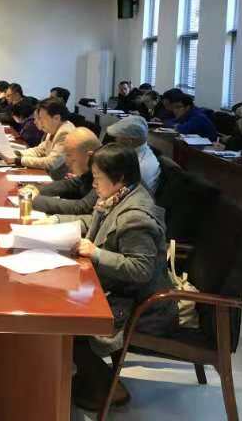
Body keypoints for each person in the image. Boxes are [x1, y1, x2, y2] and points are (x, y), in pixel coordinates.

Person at [41, 144, 177, 411]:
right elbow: (94, 221)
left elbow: (141, 269)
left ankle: (106, 390)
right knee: (62, 299)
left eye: (97, 178)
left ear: (119, 178)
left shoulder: (136, 216)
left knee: (69, 318)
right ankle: (91, 380)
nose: (93, 184)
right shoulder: (118, 197)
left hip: (143, 305)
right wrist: (54, 221)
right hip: (121, 290)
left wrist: (97, 253)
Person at [33, 127, 101, 215]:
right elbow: (70, 184)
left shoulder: (106, 171)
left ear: (89, 156)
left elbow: (83, 207)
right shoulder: (91, 168)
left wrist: (33, 200)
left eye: (70, 156)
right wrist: (35, 190)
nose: (66, 162)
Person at [6, 97, 75, 171]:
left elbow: (52, 163)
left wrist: (19, 160)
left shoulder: (65, 133)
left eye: (41, 118)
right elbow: (40, 150)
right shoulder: (54, 129)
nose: (39, 122)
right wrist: (17, 154)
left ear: (56, 118)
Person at [106, 116, 161, 193]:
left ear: (129, 141)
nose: (115, 140)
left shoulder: (141, 166)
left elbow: (122, 193)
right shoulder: (134, 153)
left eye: (118, 137)